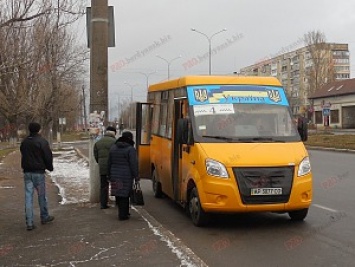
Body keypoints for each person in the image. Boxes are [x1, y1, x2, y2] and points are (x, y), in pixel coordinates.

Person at [20, 122, 54, 231]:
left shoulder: (24, 142)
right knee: (41, 195)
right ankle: (44, 216)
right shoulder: (42, 141)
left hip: (27, 172)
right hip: (38, 173)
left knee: (28, 196)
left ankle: (29, 222)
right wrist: (50, 167)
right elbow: (48, 156)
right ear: (39, 130)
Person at [107, 131, 138, 220]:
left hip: (115, 174)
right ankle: (123, 215)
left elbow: (109, 162)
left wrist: (108, 174)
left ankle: (123, 212)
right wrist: (136, 176)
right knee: (125, 194)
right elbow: (133, 164)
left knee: (119, 193)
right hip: (126, 175)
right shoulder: (130, 149)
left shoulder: (113, 147)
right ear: (130, 138)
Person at [94, 126, 117, 209]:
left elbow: (96, 155)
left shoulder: (98, 142)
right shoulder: (115, 142)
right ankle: (117, 203)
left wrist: (100, 162)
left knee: (103, 186)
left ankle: (103, 204)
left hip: (102, 167)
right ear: (114, 133)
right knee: (115, 184)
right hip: (113, 167)